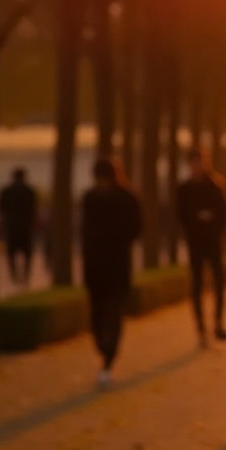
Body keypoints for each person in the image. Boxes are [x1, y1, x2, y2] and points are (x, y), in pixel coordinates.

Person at [80, 157, 142, 387]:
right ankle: (103, 348)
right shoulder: (90, 198)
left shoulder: (126, 198)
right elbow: (85, 233)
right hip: (98, 266)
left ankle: (108, 360)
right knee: (98, 314)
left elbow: (136, 228)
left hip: (114, 265)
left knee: (113, 313)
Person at [176, 148, 226, 346]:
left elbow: (225, 213)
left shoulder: (215, 186)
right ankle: (200, 328)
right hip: (195, 242)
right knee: (197, 284)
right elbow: (181, 215)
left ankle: (218, 323)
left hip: (214, 241)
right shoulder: (184, 189)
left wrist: (213, 224)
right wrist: (197, 222)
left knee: (219, 283)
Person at [0, 167, 39, 286]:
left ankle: (14, 275)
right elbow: (34, 210)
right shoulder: (29, 192)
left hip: (11, 227)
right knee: (27, 254)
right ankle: (25, 275)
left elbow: (1, 210)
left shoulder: (6, 192)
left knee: (11, 253)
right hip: (26, 227)